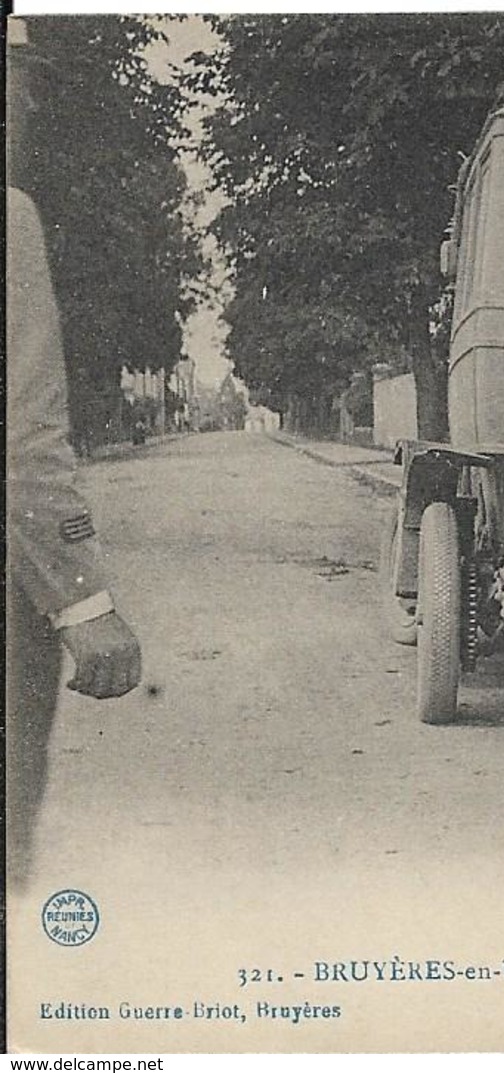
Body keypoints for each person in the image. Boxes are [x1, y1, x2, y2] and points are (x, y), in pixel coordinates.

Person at [7, 18, 144, 892]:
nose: (25, 112)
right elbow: (23, 438)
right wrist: (80, 598)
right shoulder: (8, 220)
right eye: (20, 91)